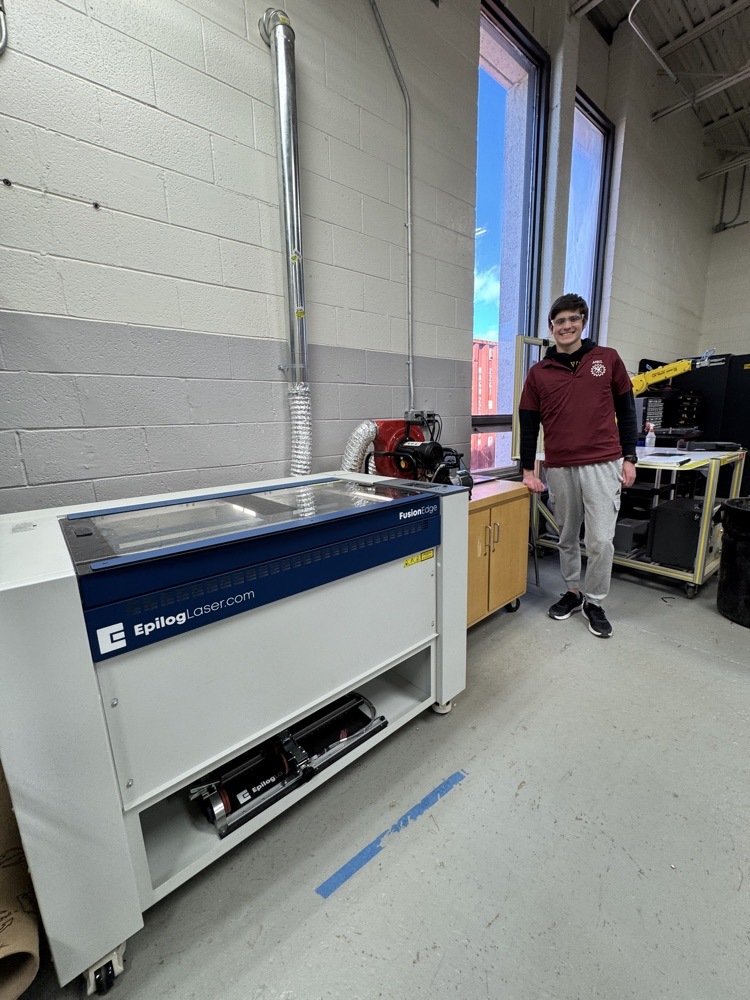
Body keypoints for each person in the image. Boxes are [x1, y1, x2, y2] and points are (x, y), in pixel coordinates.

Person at [519, 293, 638, 638]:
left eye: (573, 319)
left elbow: (627, 412)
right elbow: (529, 423)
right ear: (551, 327)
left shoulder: (607, 359)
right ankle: (572, 592)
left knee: (601, 539)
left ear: (583, 322)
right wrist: (529, 470)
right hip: (560, 466)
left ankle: (595, 601)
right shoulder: (539, 372)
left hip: (603, 463)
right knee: (567, 536)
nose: (566, 326)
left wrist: (629, 457)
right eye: (560, 321)